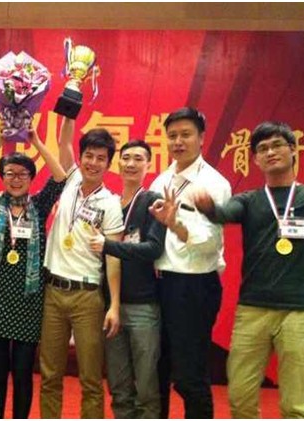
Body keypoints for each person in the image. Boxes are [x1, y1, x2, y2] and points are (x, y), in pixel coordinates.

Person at [194, 121, 304, 418]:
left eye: (277, 145)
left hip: (299, 312)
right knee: (240, 398)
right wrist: (208, 208)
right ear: (256, 160)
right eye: (262, 149)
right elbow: (223, 213)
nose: (270, 152)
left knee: (295, 405)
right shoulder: (249, 201)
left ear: (293, 150)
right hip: (253, 310)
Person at [0, 129, 66, 418]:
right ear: (2, 177)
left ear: (31, 178)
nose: (16, 179)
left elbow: (60, 178)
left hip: (29, 302)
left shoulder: (40, 205)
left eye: (23, 174)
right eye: (10, 173)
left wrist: (37, 142)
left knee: (22, 374)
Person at [149, 107, 231, 418]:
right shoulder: (162, 179)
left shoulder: (213, 183)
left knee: (189, 374)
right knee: (157, 368)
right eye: (172, 136)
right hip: (160, 283)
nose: (178, 142)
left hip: (193, 286)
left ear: (201, 138)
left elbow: (211, 243)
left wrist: (176, 225)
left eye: (186, 135)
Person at [40, 116, 124, 418]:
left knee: (90, 378)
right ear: (82, 157)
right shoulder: (71, 179)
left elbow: (114, 258)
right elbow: (64, 141)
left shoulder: (111, 204)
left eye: (101, 158)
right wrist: (71, 107)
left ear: (108, 164)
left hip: (88, 297)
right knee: (49, 374)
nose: (93, 163)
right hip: (53, 292)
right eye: (89, 155)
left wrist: (114, 305)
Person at [88, 140, 166, 418]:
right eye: (126, 158)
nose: (131, 164)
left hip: (143, 306)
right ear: (117, 164)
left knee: (146, 386)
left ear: (149, 165)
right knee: (119, 386)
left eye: (138, 159)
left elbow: (153, 249)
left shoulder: (153, 201)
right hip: (110, 306)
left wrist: (109, 246)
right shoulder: (107, 203)